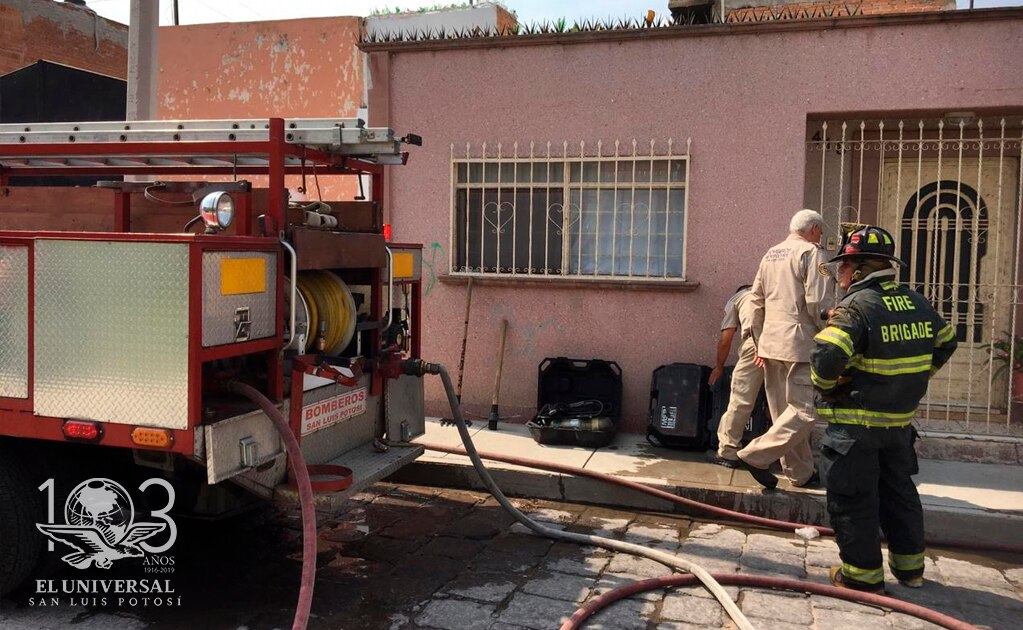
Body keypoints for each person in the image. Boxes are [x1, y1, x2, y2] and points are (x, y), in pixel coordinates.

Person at [811, 225, 956, 594]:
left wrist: (830, 388)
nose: (840, 274)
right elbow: (947, 341)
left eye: (842, 266)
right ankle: (911, 571)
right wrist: (912, 381)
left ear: (858, 269)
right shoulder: (917, 302)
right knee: (899, 493)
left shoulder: (856, 307)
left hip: (855, 426)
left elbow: (826, 358)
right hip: (898, 425)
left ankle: (861, 576)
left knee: (854, 498)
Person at [736, 209, 833, 489]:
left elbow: (754, 299)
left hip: (769, 343)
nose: (821, 237)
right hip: (799, 344)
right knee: (804, 412)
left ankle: (800, 473)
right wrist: (827, 330)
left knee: (784, 415)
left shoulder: (771, 254)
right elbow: (818, 301)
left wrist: (755, 339)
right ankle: (755, 455)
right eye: (821, 232)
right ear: (814, 229)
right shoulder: (811, 253)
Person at [706, 284, 763, 468]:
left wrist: (719, 367)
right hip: (784, 342)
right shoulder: (767, 293)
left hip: (756, 344)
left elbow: (726, 339)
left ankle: (728, 453)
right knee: (784, 406)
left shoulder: (738, 298)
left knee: (740, 400)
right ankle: (797, 466)